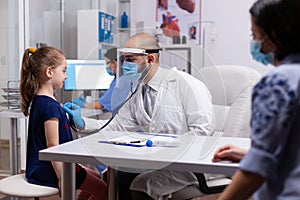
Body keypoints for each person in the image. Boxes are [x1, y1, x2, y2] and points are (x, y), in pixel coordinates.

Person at [64, 32, 216, 200]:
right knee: (112, 177)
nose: (124, 64)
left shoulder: (187, 84)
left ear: (150, 59)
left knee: (141, 187)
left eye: (130, 59)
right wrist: (83, 123)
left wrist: (165, 148)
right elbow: (117, 126)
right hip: (154, 162)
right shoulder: (137, 89)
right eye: (123, 59)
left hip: (186, 166)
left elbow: (203, 132)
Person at [212, 0, 300, 199]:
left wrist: (256, 158)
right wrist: (248, 155)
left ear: (274, 35)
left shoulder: (278, 83)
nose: (254, 43)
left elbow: (256, 171)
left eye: (255, 35)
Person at [20, 46, 107, 199]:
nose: (66, 76)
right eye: (64, 70)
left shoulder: (41, 101)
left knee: (98, 178)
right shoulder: (50, 107)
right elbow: (53, 146)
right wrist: (63, 178)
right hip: (50, 172)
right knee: (103, 189)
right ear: (49, 72)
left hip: (41, 168)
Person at [72, 47, 118, 112]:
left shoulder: (119, 82)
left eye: (108, 63)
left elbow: (99, 105)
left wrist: (81, 104)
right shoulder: (119, 79)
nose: (107, 66)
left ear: (115, 63)